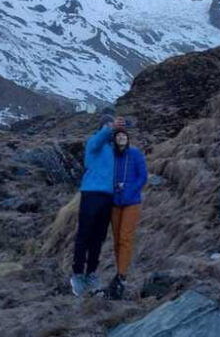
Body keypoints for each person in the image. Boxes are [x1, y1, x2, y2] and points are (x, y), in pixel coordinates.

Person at [71, 114, 125, 297]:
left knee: (99, 237)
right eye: (108, 126)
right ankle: (77, 274)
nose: (112, 129)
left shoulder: (113, 149)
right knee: (84, 235)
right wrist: (109, 129)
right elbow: (99, 139)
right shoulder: (94, 143)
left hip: (108, 197)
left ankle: (91, 273)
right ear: (103, 127)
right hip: (91, 193)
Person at [106, 129, 148, 300]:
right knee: (116, 238)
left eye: (124, 136)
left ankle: (122, 274)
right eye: (118, 136)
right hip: (114, 202)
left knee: (125, 236)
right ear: (115, 140)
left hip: (131, 202)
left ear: (127, 139)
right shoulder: (112, 156)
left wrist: (129, 189)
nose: (121, 138)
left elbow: (142, 176)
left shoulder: (135, 154)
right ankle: (119, 268)